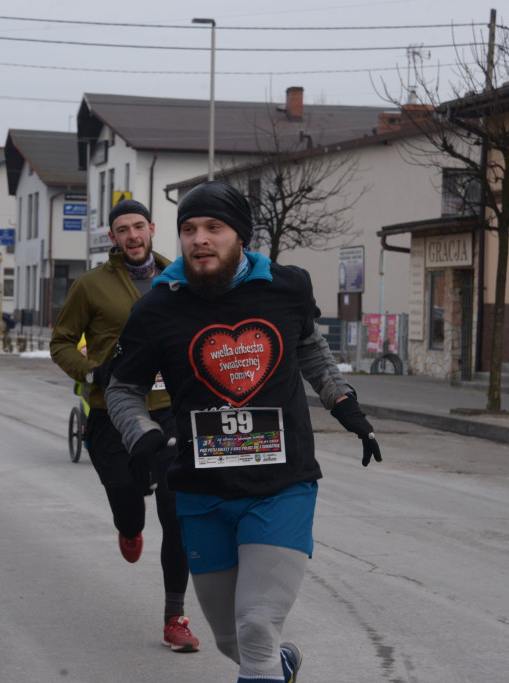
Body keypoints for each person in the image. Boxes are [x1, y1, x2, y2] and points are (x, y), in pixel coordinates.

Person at [106, 181, 381, 683]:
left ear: (242, 237)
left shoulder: (286, 287)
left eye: (214, 228)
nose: (199, 240)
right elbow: (121, 389)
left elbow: (309, 350)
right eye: (188, 230)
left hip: (280, 486)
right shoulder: (158, 308)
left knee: (256, 624)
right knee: (232, 638)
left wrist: (343, 402)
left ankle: (267, 662)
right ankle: (280, 667)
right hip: (202, 491)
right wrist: (141, 434)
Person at [50, 198, 199, 653]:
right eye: (123, 230)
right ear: (112, 238)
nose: (133, 236)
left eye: (139, 226)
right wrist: (91, 371)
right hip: (112, 413)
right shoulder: (91, 286)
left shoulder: (181, 277)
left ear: (152, 229)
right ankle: (128, 525)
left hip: (168, 409)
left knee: (177, 516)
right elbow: (60, 343)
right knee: (131, 508)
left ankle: (175, 616)